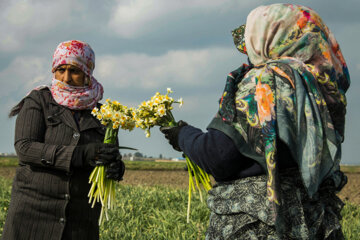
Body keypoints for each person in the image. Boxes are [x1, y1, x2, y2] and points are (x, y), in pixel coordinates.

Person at [160, 4, 350, 239]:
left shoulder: (267, 82)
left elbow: (219, 156)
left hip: (261, 223)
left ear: (269, 36)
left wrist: (184, 136)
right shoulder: (322, 85)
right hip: (313, 221)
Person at [2, 40, 125, 240]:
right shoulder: (39, 100)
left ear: (88, 73)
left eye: (74, 71)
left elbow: (109, 156)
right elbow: (25, 148)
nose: (66, 78)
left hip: (79, 222)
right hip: (32, 216)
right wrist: (79, 154)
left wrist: (115, 168)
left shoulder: (105, 114)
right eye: (60, 70)